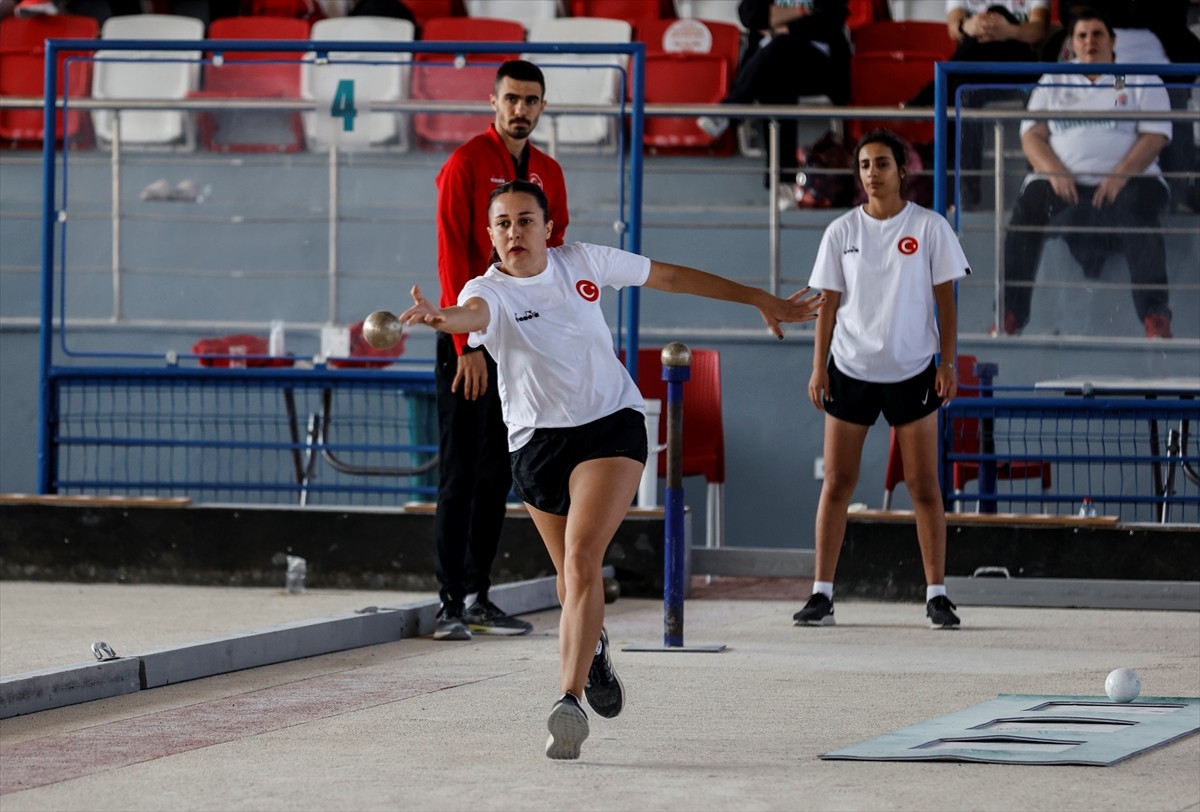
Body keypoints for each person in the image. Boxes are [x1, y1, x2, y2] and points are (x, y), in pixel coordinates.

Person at [400, 179, 823, 759]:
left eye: (526, 220)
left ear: (548, 228)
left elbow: (671, 276)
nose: (514, 232)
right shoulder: (487, 290)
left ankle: (567, 702)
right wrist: (438, 317)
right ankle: (593, 646)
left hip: (609, 425)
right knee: (572, 578)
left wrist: (757, 297)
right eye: (502, 224)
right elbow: (466, 314)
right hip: (533, 444)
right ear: (491, 236)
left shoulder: (585, 261)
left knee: (581, 560)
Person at [794, 128, 970, 631]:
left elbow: (946, 302)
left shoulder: (931, 227)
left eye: (883, 164)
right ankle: (821, 594)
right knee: (838, 483)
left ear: (902, 171)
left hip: (913, 369)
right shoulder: (841, 232)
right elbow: (827, 304)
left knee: (923, 485)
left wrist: (947, 362)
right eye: (866, 165)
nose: (873, 173)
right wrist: (818, 365)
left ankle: (937, 594)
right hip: (850, 369)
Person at [430, 60, 570, 642]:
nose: (521, 110)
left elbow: (554, 258)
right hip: (470, 338)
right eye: (511, 99)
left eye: (531, 101)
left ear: (541, 106)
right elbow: (449, 256)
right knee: (460, 472)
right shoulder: (465, 163)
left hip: (520, 342)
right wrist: (464, 344)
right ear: (493, 101)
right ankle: (448, 603)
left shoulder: (550, 173)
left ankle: (482, 596)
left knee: (499, 473)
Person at [1002, 10, 1174, 338]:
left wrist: (1121, 175)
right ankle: (1011, 313)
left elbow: (1155, 135)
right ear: (1072, 43)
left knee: (1138, 210)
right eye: (1081, 35)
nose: (1089, 41)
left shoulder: (1140, 77)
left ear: (1113, 40)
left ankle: (1155, 319)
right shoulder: (1053, 80)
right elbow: (1031, 136)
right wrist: (1055, 171)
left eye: (1097, 34)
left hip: (1131, 180)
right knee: (1026, 212)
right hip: (1060, 182)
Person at [696, 0, 852, 208]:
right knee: (777, 80)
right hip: (774, 66)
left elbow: (830, 19)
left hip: (820, 64)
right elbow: (750, 15)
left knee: (781, 45)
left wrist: (781, 25)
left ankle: (730, 111)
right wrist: (803, 11)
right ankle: (784, 182)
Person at [905, 1, 1050, 207]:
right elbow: (954, 28)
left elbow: (1037, 31)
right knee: (962, 92)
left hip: (1018, 64)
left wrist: (1008, 30)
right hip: (976, 70)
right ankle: (967, 191)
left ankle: (930, 91)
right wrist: (969, 26)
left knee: (996, 16)